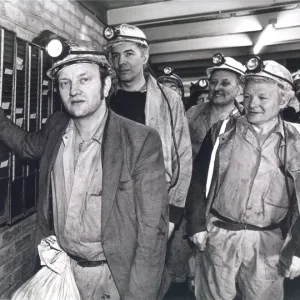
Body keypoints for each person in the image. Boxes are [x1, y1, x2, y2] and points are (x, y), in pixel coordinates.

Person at [0, 39, 169, 300]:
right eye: (65, 83)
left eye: (84, 79)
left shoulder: (139, 141)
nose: (74, 90)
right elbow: (25, 146)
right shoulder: (56, 127)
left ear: (106, 85)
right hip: (62, 269)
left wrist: (140, 295)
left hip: (112, 279)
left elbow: (152, 232)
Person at [186, 58, 300, 300]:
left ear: (284, 100)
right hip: (219, 235)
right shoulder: (222, 132)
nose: (252, 104)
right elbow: (198, 179)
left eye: (262, 97)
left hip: (268, 244)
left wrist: (298, 249)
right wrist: (196, 225)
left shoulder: (297, 141)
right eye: (247, 97)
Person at [104, 24, 192, 239]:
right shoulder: (105, 98)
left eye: (129, 54)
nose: (121, 62)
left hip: (152, 202)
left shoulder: (168, 99)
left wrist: (174, 214)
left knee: (148, 268)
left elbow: (183, 156)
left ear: (144, 56)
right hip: (110, 201)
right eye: (115, 55)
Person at [188, 54, 245, 160]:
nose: (217, 88)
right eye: (213, 82)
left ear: (239, 89)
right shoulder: (192, 113)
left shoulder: (246, 118)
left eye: (225, 83)